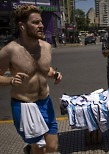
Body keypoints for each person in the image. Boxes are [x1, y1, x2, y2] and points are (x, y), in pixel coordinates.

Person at [0, 4, 62, 154]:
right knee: (41, 149)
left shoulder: (46, 47)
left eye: (41, 22)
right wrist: (10, 80)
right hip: (25, 106)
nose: (41, 25)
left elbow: (45, 69)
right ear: (22, 26)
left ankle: (31, 149)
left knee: (52, 147)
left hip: (45, 102)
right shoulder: (9, 51)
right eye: (35, 22)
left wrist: (54, 74)